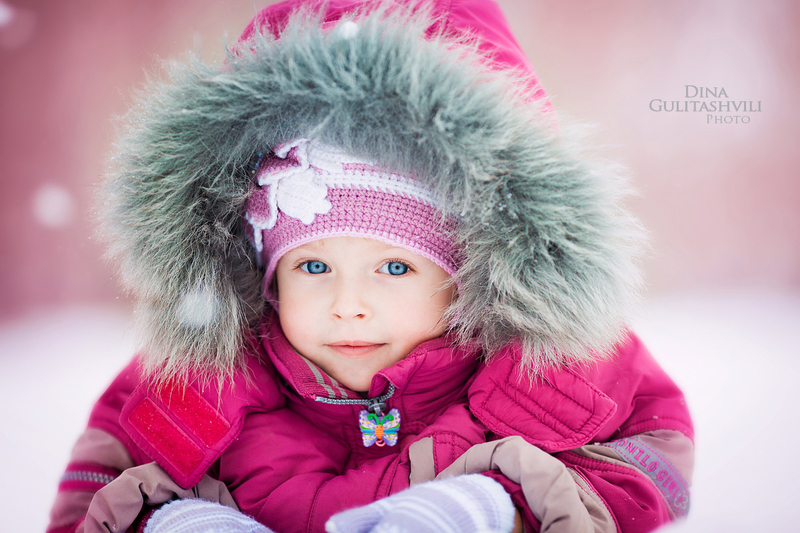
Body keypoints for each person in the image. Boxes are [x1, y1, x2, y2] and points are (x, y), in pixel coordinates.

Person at [46, 1, 694, 532]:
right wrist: (169, 520)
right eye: (313, 267)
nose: (348, 305)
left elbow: (651, 461)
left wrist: (499, 509)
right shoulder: (195, 382)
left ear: (470, 277)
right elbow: (88, 499)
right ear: (264, 276)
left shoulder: (553, 370)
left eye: (394, 269)